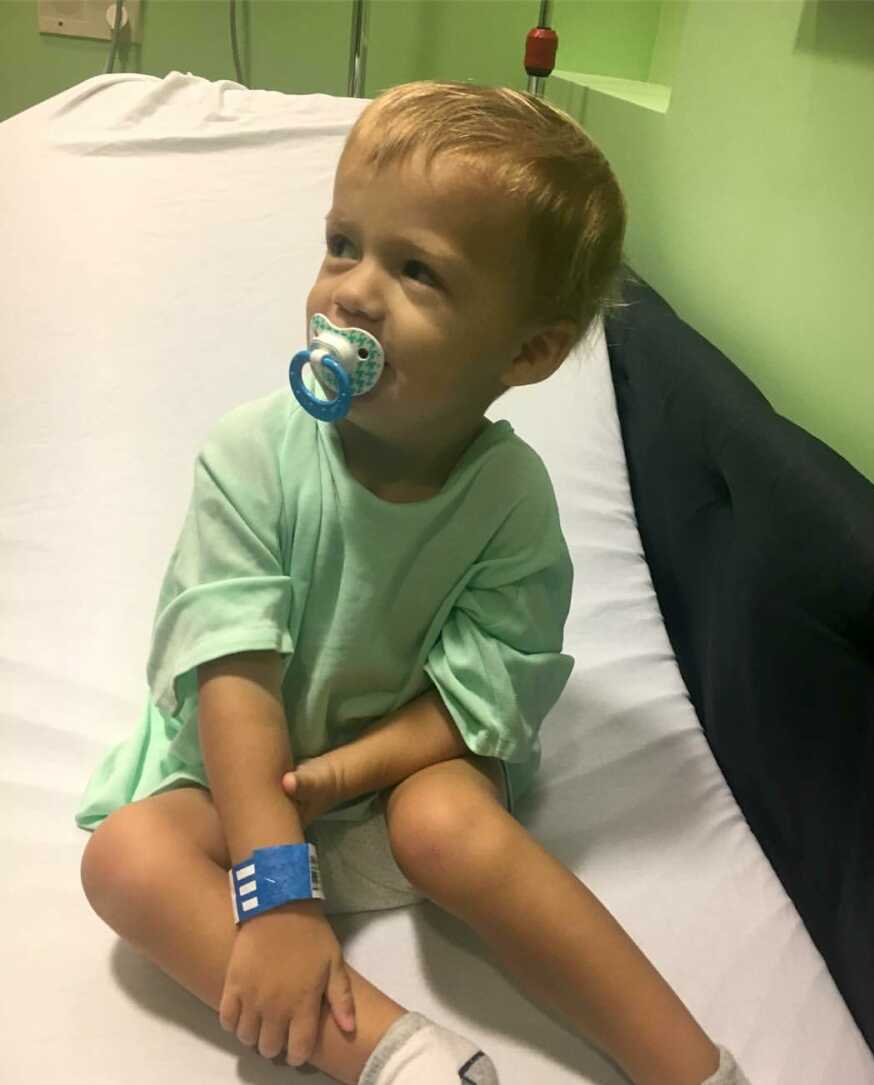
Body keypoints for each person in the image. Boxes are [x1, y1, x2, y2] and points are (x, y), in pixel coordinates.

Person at [76, 81, 751, 1085]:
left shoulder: (511, 497)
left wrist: (357, 771)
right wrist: (278, 894)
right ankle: (399, 1055)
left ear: (525, 351)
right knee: (127, 860)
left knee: (449, 819)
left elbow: (485, 685)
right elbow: (236, 684)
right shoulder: (252, 456)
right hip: (245, 777)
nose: (350, 291)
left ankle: (689, 1065)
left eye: (417, 269)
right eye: (343, 243)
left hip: (395, 773)